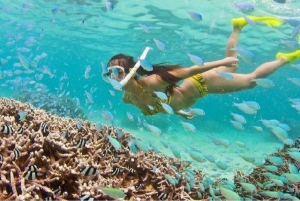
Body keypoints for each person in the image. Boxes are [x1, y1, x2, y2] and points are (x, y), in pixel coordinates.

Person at [106, 16, 300, 119]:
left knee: (251, 81)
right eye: (109, 73)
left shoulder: (151, 82)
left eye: (117, 71)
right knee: (232, 63)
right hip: (196, 91)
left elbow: (191, 71)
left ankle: (285, 58)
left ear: (131, 71)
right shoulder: (127, 99)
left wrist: (221, 63)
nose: (112, 77)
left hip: (202, 84)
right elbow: (166, 105)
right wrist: (180, 112)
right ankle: (238, 26)